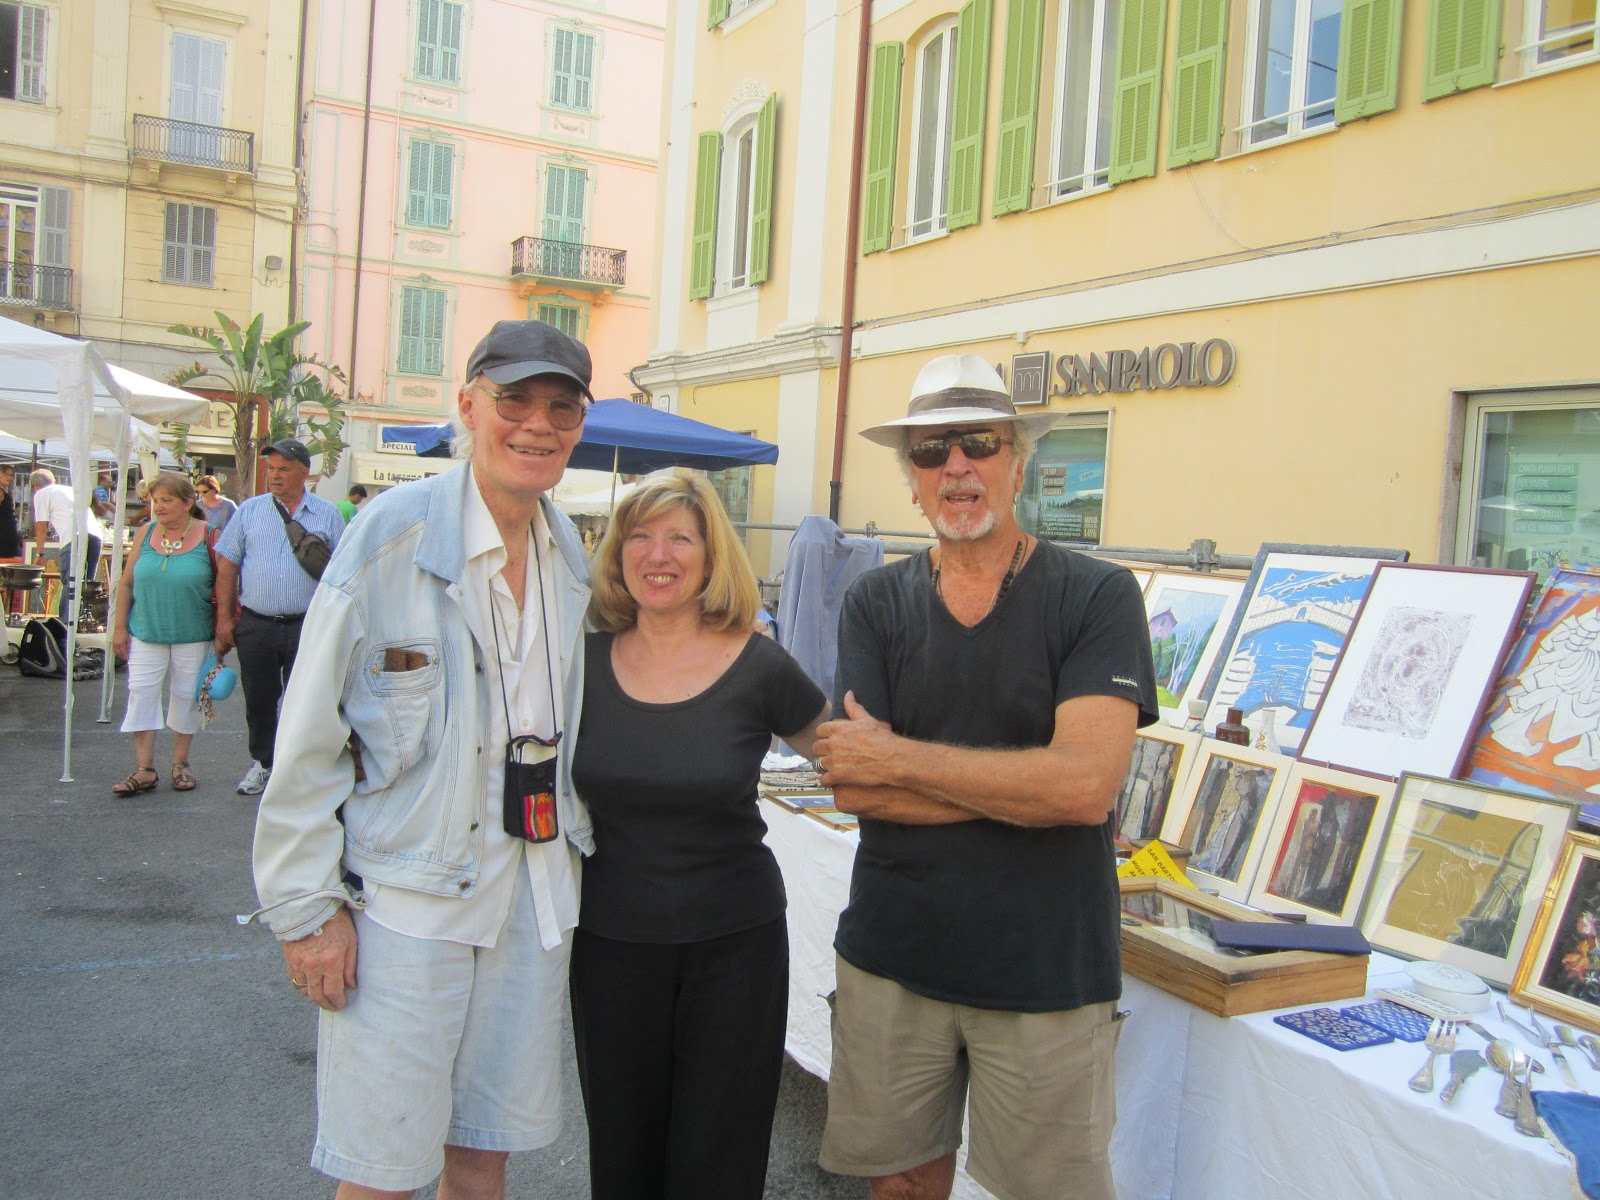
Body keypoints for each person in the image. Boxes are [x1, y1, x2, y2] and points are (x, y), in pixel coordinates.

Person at [244, 319, 598, 1198]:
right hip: (408, 908)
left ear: (581, 426)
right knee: (384, 1173)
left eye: (561, 406)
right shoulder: (390, 536)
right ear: (468, 404)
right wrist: (304, 908)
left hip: (532, 900)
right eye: (513, 399)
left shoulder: (569, 555)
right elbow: (309, 737)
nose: (536, 424)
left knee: (482, 1158)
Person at [813, 354, 1158, 1200]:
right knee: (897, 1188)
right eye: (931, 451)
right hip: (894, 958)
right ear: (912, 479)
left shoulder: (1097, 597)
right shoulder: (874, 602)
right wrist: (1022, 792)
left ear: (1018, 460)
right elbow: (852, 789)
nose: (956, 466)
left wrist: (899, 758)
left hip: (1046, 971)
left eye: (978, 442)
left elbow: (1084, 790)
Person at [570, 472, 828, 1200]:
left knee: (718, 1159)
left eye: (680, 537)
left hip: (734, 948)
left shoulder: (759, 664)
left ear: (712, 556)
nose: (659, 554)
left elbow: (845, 755)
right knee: (623, 1156)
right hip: (612, 944)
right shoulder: (579, 665)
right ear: (617, 555)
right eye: (640, 537)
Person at [213, 439, 344, 795]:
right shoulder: (250, 511)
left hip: (308, 623)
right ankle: (264, 763)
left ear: (304, 472)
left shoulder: (327, 514)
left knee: (308, 699)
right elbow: (228, 566)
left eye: (284, 469)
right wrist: (224, 620)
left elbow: (342, 573)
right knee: (259, 698)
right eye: (271, 468)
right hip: (257, 623)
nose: (275, 475)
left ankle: (300, 767)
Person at [109, 472, 219, 795]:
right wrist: (119, 628)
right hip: (145, 629)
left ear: (188, 503)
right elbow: (127, 583)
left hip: (194, 632)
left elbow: (225, 585)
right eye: (155, 501)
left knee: (186, 697)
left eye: (167, 500)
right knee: (141, 692)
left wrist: (225, 631)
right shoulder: (145, 533)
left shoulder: (209, 534)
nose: (159, 506)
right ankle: (144, 769)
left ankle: (181, 764)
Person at [30, 468, 106, 618]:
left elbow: (41, 527)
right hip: (96, 535)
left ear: (35, 486)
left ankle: (66, 626)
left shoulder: (42, 494)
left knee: (71, 582)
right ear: (53, 480)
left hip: (74, 537)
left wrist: (40, 553)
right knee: (85, 584)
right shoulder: (69, 490)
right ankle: (79, 621)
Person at [0, 463, 21, 559]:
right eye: (6, 474)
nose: (9, 478)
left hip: (8, 535)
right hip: (4, 536)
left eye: (11, 475)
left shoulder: (5, 491)